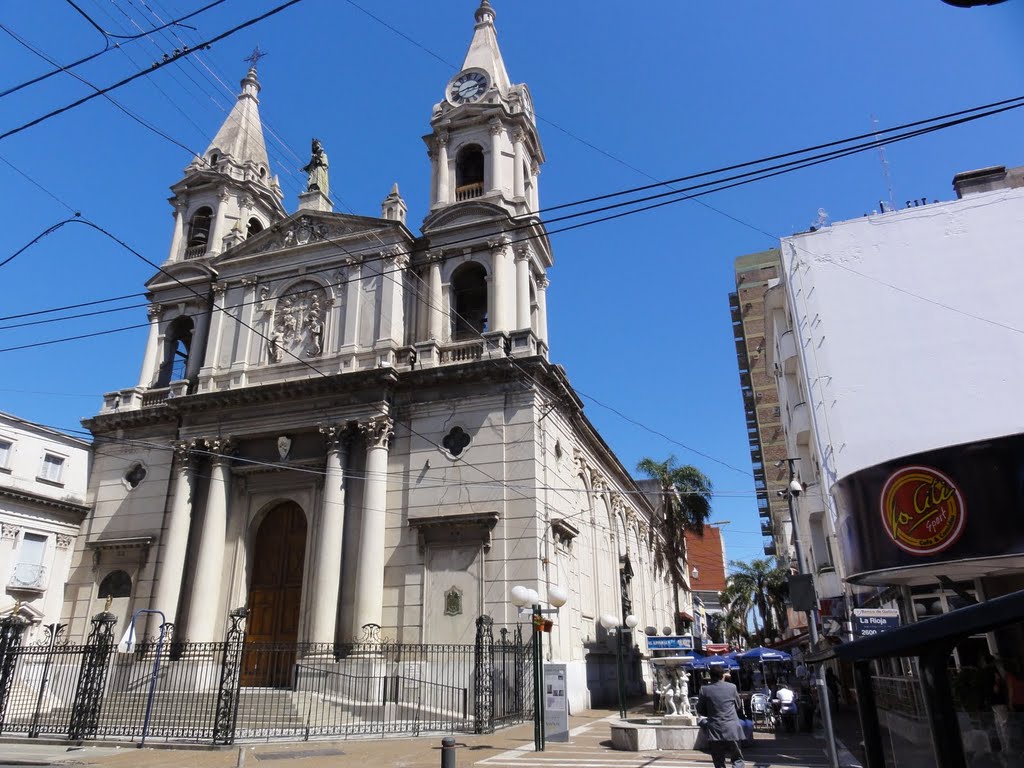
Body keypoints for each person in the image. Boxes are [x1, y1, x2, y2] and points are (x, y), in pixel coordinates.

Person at [697, 665, 745, 768]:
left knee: (718, 759)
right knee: (737, 757)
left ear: (710, 676)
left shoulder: (705, 690)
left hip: (715, 728)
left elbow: (700, 710)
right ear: (722, 675)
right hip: (732, 727)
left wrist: (710, 712)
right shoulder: (732, 687)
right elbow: (738, 705)